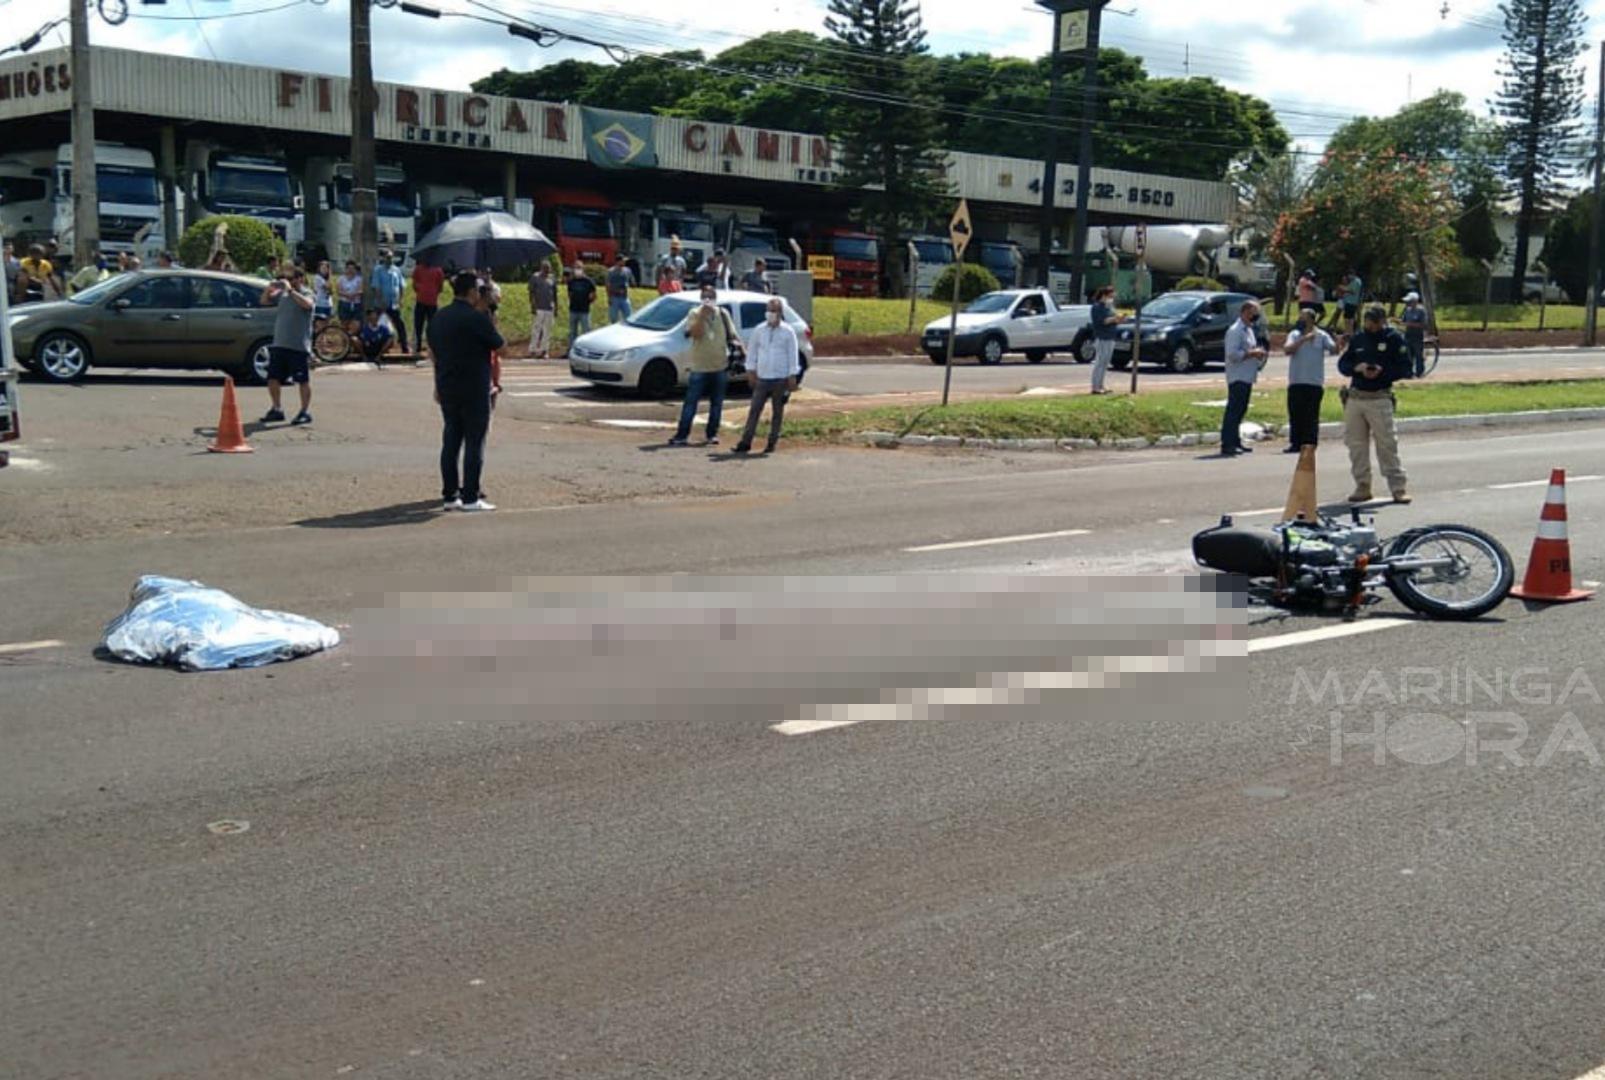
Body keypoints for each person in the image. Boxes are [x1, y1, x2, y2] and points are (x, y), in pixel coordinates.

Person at [428, 269, 505, 512]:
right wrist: (490, 320)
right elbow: (501, 348)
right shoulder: (476, 318)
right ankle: (471, 496)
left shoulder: (439, 317)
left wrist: (436, 384)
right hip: (473, 386)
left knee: (451, 440)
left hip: (447, 385)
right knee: (474, 441)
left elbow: (432, 353)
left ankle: (450, 495)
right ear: (472, 292)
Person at [1337, 303, 1412, 503]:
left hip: (1379, 397)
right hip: (1356, 397)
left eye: (1374, 323)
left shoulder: (1394, 339)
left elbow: (1406, 368)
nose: (1370, 327)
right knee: (1356, 445)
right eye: (1367, 322)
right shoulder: (1359, 338)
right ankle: (1362, 485)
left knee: (1387, 444)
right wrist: (1358, 368)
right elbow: (1343, 364)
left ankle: (1398, 487)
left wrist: (1382, 371)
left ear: (1382, 321)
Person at [669, 285, 739, 447]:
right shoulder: (694, 313)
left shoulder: (723, 314)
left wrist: (742, 352)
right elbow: (695, 334)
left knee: (717, 403)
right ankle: (682, 435)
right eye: (704, 296)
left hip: (719, 365)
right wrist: (702, 316)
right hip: (699, 367)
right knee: (691, 402)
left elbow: (733, 335)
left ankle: (711, 434)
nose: (708, 300)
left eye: (710, 296)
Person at [735, 295, 801, 455]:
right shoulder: (759, 330)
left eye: (774, 311)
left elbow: (793, 354)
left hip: (780, 377)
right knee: (754, 410)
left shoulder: (788, 331)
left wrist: (792, 375)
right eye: (769, 310)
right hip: (762, 377)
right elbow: (752, 352)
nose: (770, 313)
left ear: (780, 312)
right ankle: (746, 442)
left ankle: (772, 442)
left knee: (777, 412)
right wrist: (750, 370)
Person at [258, 265, 316, 426]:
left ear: (300, 279)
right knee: (272, 378)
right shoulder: (282, 294)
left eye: (292, 279)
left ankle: (304, 411)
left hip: (298, 345)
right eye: (286, 279)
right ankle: (277, 408)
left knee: (302, 381)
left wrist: (290, 290)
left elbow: (308, 305)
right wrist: (269, 288)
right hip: (280, 344)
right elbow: (263, 301)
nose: (288, 282)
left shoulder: (306, 293)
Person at [1282, 307, 1343, 453]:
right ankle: (1295, 443)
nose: (1300, 320)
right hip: (1296, 381)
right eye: (1299, 317)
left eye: (1303, 318)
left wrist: (1339, 341)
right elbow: (1287, 350)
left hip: (1314, 382)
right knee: (1296, 414)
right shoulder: (1294, 334)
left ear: (1311, 320)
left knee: (1311, 415)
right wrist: (1303, 339)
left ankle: (1309, 443)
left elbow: (1334, 350)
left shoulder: (1321, 335)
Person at [1220, 299, 1267, 457]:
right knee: (1234, 410)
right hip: (1237, 376)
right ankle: (1227, 444)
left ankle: (1235, 441)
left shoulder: (1249, 330)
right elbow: (1232, 354)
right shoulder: (1236, 330)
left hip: (1247, 376)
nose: (1255, 317)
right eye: (1254, 313)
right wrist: (1252, 354)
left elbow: (1250, 348)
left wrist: (1257, 353)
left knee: (1241, 410)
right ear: (1245, 312)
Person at [369, 250, 409, 353]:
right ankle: (375, 346)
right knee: (376, 323)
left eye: (391, 257)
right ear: (383, 258)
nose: (389, 259)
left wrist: (401, 299)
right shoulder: (378, 270)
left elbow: (401, 286)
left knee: (400, 324)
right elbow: (376, 287)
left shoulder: (396, 270)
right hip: (380, 303)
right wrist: (381, 301)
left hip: (394, 303)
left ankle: (404, 346)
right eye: (387, 257)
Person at [1088, 285, 1119, 394]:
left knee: (1106, 363)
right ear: (1104, 295)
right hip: (1102, 338)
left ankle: (1101, 385)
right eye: (1111, 296)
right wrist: (1114, 319)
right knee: (1100, 362)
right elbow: (1103, 321)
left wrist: (1119, 319)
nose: (1112, 298)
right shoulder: (1097, 307)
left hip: (1111, 337)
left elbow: (1114, 319)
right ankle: (1095, 387)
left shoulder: (1109, 308)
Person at [412, 259, 445, 356]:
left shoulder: (438, 270)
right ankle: (417, 346)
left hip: (432, 302)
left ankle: (432, 346)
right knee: (418, 325)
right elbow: (414, 284)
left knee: (433, 326)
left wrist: (433, 293)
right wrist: (421, 289)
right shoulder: (418, 269)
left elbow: (441, 287)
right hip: (420, 301)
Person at [565, 262, 596, 355]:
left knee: (586, 331)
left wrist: (587, 302)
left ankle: (587, 350)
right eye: (575, 268)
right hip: (573, 310)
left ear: (583, 269)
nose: (577, 270)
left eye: (579, 268)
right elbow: (569, 294)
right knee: (572, 331)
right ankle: (570, 350)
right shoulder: (571, 282)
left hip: (584, 311)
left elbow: (593, 295)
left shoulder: (589, 281)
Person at [528, 263, 556, 358]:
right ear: (541, 268)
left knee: (547, 330)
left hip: (549, 307)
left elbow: (554, 294)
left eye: (548, 269)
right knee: (536, 329)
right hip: (539, 307)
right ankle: (533, 349)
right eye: (545, 269)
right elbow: (531, 292)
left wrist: (556, 308)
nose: (547, 271)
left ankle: (544, 350)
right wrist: (532, 305)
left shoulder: (552, 278)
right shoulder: (535, 277)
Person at [1401, 291, 1428, 377]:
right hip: (1408, 334)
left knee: (1418, 355)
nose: (1408, 303)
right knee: (1408, 354)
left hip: (1417, 335)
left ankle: (1420, 372)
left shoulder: (1421, 311)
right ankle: (1408, 372)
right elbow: (1403, 321)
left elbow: (1423, 324)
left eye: (1410, 301)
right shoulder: (1407, 310)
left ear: (1415, 301)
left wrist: (1411, 324)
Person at [605, 253, 634, 324]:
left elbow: (630, 281)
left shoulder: (627, 270)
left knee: (629, 316)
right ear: (618, 261)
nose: (624, 262)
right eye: (623, 261)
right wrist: (609, 297)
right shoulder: (611, 271)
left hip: (625, 297)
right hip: (614, 297)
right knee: (614, 318)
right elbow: (608, 285)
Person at [336, 260, 364, 331]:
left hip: (356, 303)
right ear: (346, 269)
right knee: (344, 324)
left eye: (352, 268)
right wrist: (347, 295)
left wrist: (353, 295)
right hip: (344, 303)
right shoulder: (341, 279)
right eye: (349, 268)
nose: (350, 270)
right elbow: (339, 291)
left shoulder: (359, 279)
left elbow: (360, 290)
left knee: (356, 324)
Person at [310, 260, 333, 325]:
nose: (324, 270)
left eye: (326, 268)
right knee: (320, 323)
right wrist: (330, 276)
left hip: (328, 303)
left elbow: (331, 291)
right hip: (320, 303)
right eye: (322, 268)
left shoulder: (326, 279)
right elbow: (327, 286)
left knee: (327, 323)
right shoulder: (318, 278)